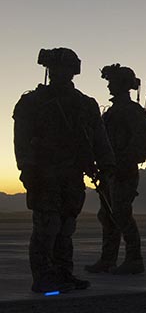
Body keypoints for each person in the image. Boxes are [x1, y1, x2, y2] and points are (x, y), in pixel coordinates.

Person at [13, 48, 115, 293]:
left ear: (74, 71)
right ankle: (43, 277)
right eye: (57, 68)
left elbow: (99, 138)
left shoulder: (85, 104)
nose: (61, 73)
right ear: (49, 69)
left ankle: (63, 273)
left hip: (72, 174)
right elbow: (21, 139)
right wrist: (27, 169)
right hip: (44, 173)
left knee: (67, 227)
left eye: (67, 68)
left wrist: (107, 165)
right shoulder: (33, 102)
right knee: (46, 227)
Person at [85, 64, 146, 275]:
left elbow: (137, 141)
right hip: (110, 171)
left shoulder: (130, 111)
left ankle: (134, 259)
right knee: (107, 215)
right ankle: (107, 259)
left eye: (113, 82)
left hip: (123, 170)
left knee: (121, 214)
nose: (109, 86)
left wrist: (123, 163)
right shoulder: (114, 111)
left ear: (122, 85)